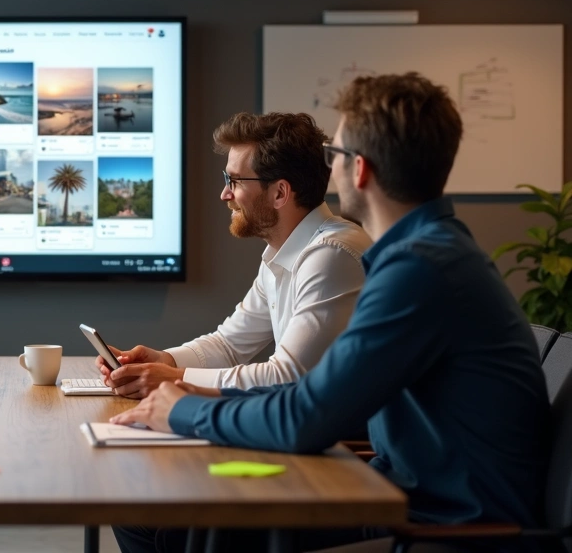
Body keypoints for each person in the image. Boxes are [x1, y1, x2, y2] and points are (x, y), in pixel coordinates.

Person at [110, 73, 551, 553]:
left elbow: (304, 412)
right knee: (185, 525)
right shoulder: (426, 254)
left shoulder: (419, 269)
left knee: (201, 533)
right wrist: (179, 381)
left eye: (335, 155)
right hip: (401, 492)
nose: (328, 170)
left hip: (445, 525)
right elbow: (303, 396)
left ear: (359, 169)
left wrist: (184, 408)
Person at [98, 112, 371, 396]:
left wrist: (172, 378)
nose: (225, 194)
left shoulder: (330, 255)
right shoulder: (282, 253)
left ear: (280, 193)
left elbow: (287, 377)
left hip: (350, 440)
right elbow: (228, 345)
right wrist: (165, 361)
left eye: (235, 180)